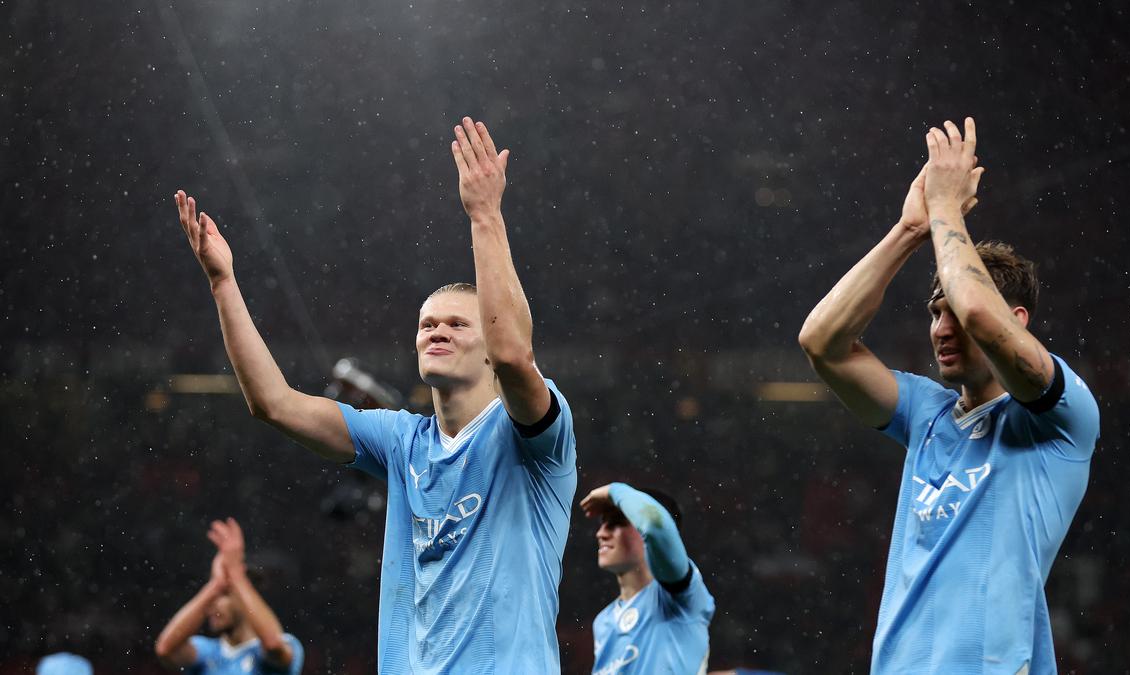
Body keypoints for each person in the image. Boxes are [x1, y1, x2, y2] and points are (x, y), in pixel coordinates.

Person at [172, 117, 576, 673]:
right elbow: (274, 403)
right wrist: (223, 283)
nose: (436, 331)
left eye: (458, 325)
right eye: (426, 323)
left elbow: (514, 356)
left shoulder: (534, 435)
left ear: (488, 345)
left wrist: (485, 214)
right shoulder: (400, 440)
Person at [797, 117, 1100, 673]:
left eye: (951, 311)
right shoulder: (926, 413)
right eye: (934, 313)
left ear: (1020, 322)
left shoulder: (1061, 415)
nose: (941, 327)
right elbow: (822, 341)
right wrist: (911, 230)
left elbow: (981, 314)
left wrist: (947, 209)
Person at [580, 483, 714, 675]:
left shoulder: (678, 597)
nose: (601, 533)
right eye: (603, 523)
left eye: (617, 522)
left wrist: (616, 490)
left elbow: (654, 524)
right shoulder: (603, 622)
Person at [154, 518, 303, 674]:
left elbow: (273, 644)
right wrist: (216, 586)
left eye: (223, 595)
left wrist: (235, 573)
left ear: (244, 598)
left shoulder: (286, 646)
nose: (211, 604)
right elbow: (165, 649)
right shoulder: (207, 653)